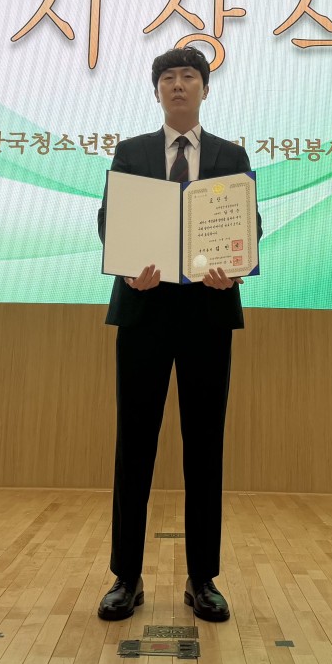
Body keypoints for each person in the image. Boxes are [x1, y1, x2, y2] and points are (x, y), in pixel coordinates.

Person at [95, 46, 259, 623]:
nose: (179, 84)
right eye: (169, 77)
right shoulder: (132, 151)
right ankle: (126, 577)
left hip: (207, 315)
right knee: (134, 445)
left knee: (205, 447)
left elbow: (249, 226)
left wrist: (233, 267)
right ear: (157, 90)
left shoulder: (230, 155)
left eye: (190, 76)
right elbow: (110, 221)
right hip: (144, 311)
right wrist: (127, 267)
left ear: (205, 89)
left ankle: (202, 578)